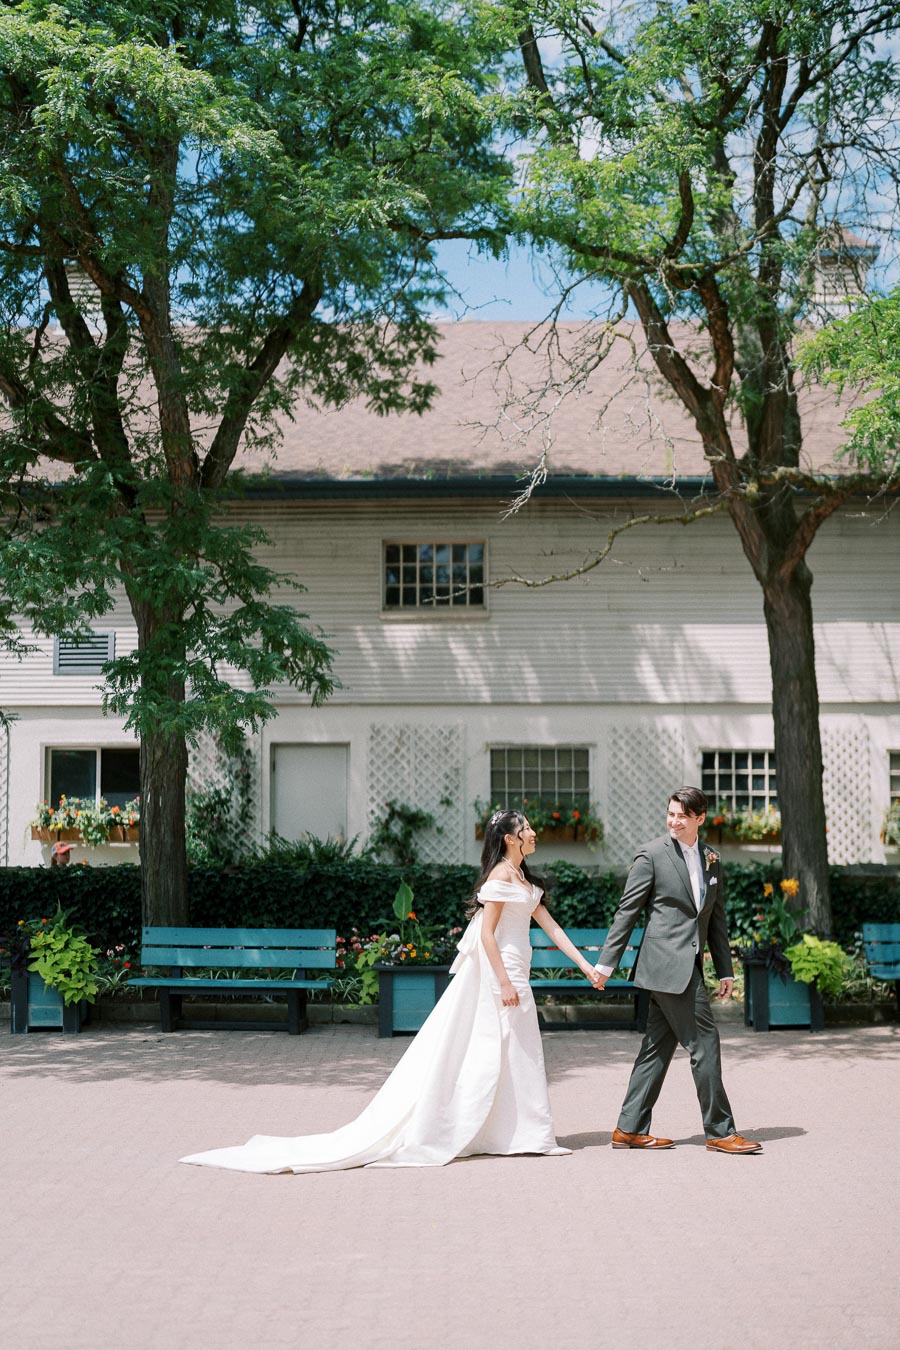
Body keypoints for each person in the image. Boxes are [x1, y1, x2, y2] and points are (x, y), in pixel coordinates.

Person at [180, 808, 603, 1173]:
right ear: (511, 838)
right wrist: (506, 982)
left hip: (517, 971)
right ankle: (500, 1130)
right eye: (527, 828)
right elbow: (488, 936)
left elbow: (550, 926)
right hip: (502, 974)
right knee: (501, 1051)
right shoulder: (498, 876)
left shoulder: (523, 878)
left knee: (518, 1052)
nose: (534, 832)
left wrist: (586, 966)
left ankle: (517, 1132)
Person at [594, 787, 762, 1155]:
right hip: (665, 965)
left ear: (700, 818)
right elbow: (628, 911)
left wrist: (726, 971)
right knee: (705, 1043)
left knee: (657, 1047)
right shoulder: (651, 855)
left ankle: (630, 1128)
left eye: (682, 816)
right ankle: (720, 1131)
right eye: (671, 813)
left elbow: (715, 917)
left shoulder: (712, 858)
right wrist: (606, 964)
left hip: (691, 967)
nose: (674, 821)